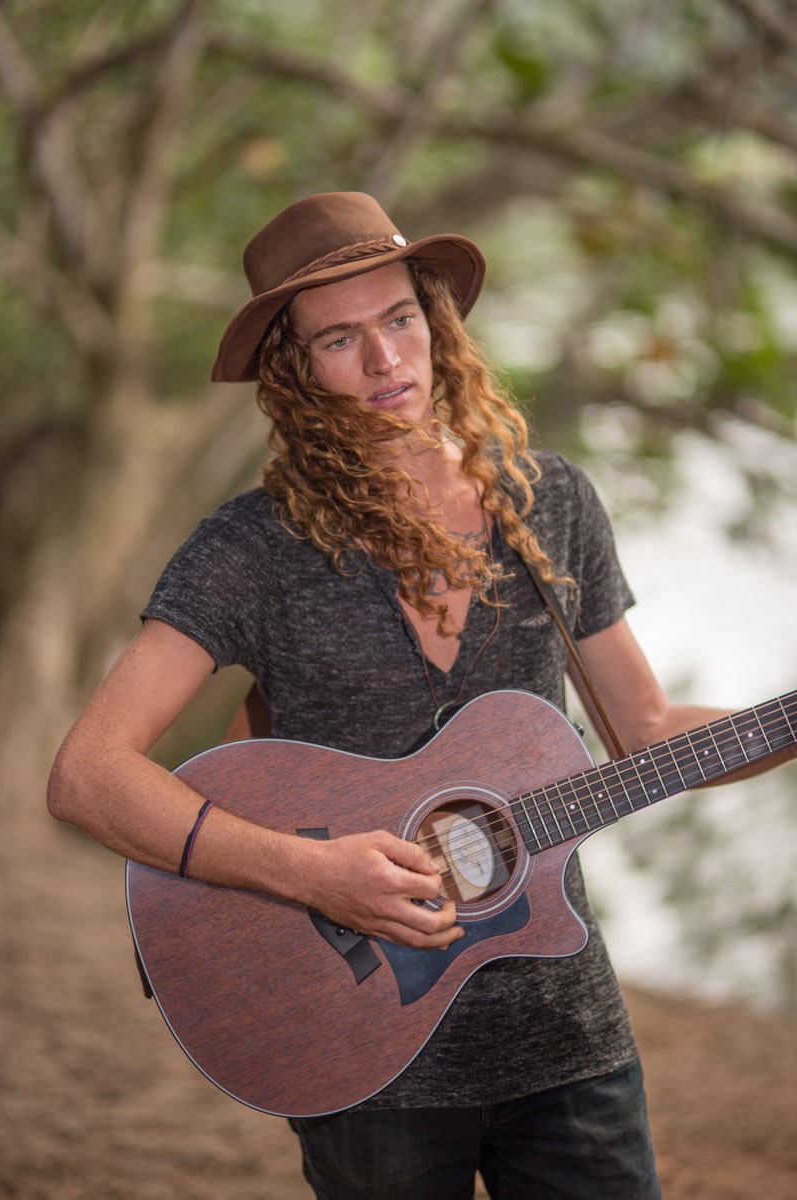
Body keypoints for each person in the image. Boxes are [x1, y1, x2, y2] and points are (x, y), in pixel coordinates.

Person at [47, 191, 794, 1200]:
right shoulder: (249, 551)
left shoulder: (550, 502)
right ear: (295, 369)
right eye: (340, 340)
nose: (386, 361)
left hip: (564, 1037)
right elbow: (90, 778)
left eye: (399, 320)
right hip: (355, 1046)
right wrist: (311, 877)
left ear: (434, 322)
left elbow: (647, 729)